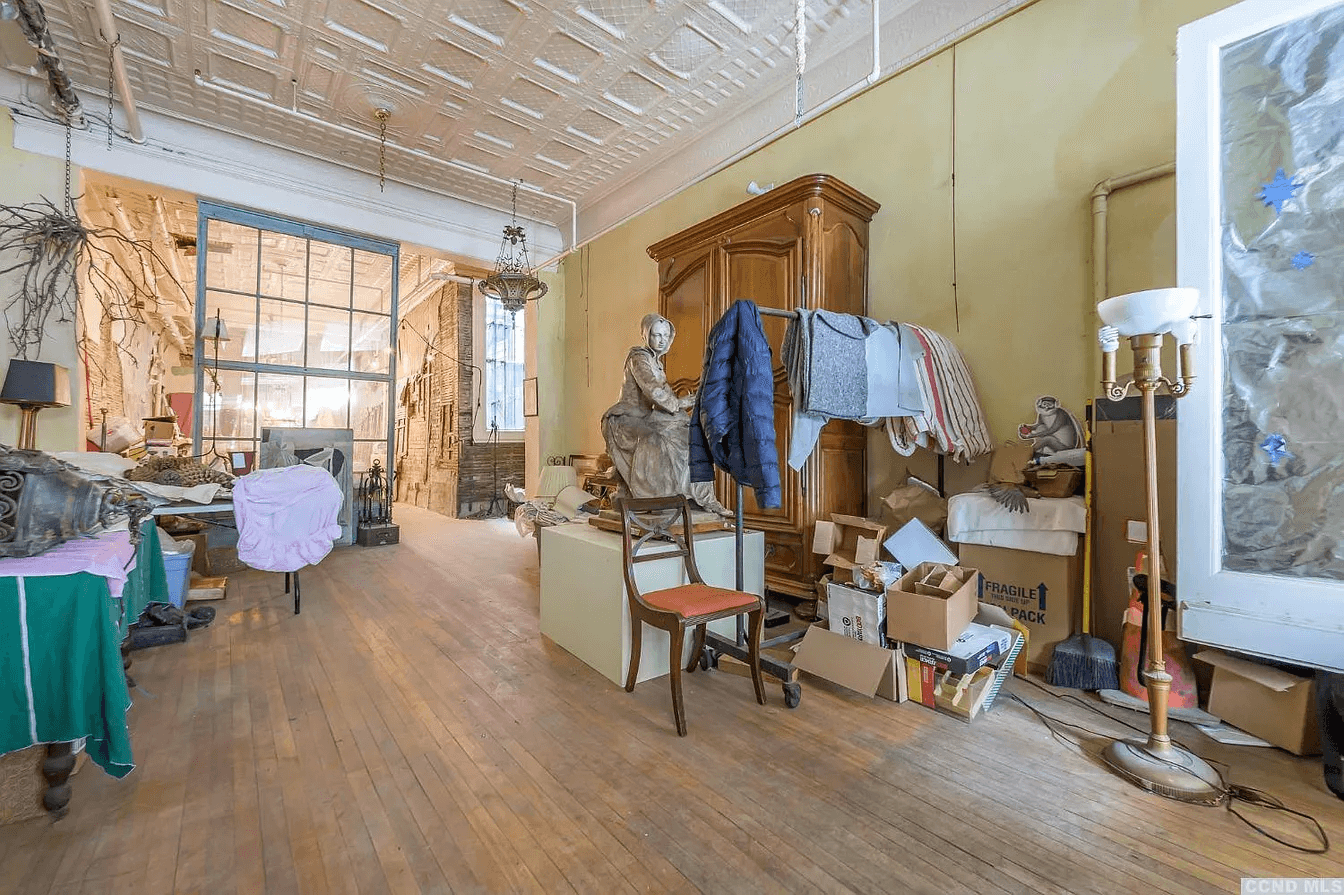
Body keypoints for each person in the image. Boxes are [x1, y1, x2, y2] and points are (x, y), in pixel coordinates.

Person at [601, 314, 727, 514]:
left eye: (665, 335)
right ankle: (655, 500)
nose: (661, 340)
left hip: (648, 417)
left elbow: (662, 396)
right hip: (626, 419)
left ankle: (699, 497)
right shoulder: (639, 358)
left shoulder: (656, 361)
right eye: (656, 335)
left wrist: (683, 404)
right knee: (657, 440)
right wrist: (679, 403)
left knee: (689, 438)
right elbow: (653, 390)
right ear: (646, 334)